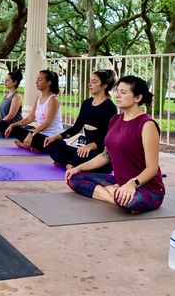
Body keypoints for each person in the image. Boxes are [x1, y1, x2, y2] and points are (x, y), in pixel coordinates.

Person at [65, 75, 165, 213]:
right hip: (120, 182)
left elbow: (152, 168)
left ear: (137, 98)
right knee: (74, 178)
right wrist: (79, 168)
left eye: (123, 92)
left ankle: (116, 194)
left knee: (131, 202)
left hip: (146, 187)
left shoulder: (147, 125)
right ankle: (114, 195)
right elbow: (106, 155)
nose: (118, 95)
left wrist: (132, 184)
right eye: (117, 91)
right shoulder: (115, 120)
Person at [45, 69, 117, 171]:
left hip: (98, 154)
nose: (89, 84)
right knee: (51, 145)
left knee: (89, 158)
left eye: (94, 82)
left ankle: (69, 163)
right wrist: (56, 137)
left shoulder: (110, 107)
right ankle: (71, 164)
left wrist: (91, 146)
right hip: (83, 151)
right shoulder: (87, 103)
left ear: (104, 86)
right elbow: (76, 127)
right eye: (90, 81)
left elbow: (109, 136)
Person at [4, 70, 63, 153]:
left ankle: (33, 145)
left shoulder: (53, 100)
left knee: (41, 140)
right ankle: (34, 146)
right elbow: (30, 118)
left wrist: (32, 133)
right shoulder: (38, 98)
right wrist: (13, 125)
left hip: (51, 137)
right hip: (39, 134)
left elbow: (47, 122)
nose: (36, 82)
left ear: (48, 83)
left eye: (39, 80)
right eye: (37, 79)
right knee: (9, 127)